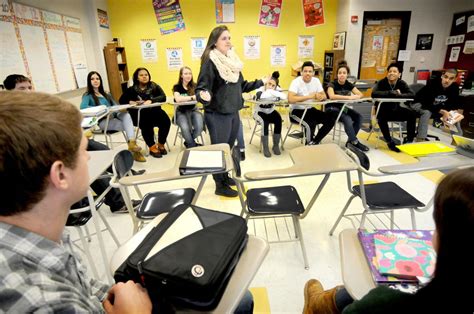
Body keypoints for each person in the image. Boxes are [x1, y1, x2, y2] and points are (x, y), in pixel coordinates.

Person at [0, 91, 152, 312]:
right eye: (83, 150)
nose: (89, 157)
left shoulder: (44, 230)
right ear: (60, 175)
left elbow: (84, 288)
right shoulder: (43, 301)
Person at [303, 167, 474, 314]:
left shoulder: (390, 301)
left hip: (376, 303)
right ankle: (320, 303)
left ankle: (316, 306)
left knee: (359, 290)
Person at [2, 73, 139, 214]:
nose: (28, 92)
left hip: (57, 146)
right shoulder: (10, 117)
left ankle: (123, 172)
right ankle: (118, 200)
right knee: (85, 163)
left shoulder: (35, 108)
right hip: (40, 159)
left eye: (30, 87)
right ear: (9, 92)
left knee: (96, 147)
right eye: (22, 88)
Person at [195, 25, 265, 197]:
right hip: (217, 114)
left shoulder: (233, 61)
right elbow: (202, 88)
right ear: (215, 43)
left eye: (229, 38)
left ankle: (225, 177)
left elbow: (242, 86)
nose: (228, 41)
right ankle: (219, 185)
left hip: (233, 112)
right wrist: (203, 95)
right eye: (224, 38)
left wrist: (260, 82)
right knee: (219, 151)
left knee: (228, 149)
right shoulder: (210, 62)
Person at [81, 71, 145, 162]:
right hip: (103, 121)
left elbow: (115, 105)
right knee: (129, 127)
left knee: (126, 115)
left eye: (97, 78)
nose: (95, 81)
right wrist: (103, 108)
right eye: (92, 79)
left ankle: (132, 145)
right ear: (89, 81)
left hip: (114, 115)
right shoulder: (88, 95)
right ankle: (134, 150)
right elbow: (83, 107)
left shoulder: (106, 93)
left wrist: (130, 104)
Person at [119, 67, 170, 158]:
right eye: (141, 75)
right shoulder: (132, 89)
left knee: (166, 120)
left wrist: (151, 100)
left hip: (155, 112)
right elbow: (121, 100)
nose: (144, 77)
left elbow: (163, 97)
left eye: (146, 75)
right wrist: (131, 101)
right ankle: (152, 147)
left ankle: (161, 144)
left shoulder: (154, 86)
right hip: (139, 115)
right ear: (137, 77)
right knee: (146, 122)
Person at [371, 63, 416, 152]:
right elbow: (374, 93)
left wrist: (399, 95)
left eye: (394, 71)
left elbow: (412, 94)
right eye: (390, 71)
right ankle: (389, 141)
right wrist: (390, 93)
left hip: (396, 110)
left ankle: (409, 140)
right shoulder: (382, 82)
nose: (391, 73)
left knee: (412, 114)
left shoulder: (401, 83)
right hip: (382, 111)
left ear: (399, 74)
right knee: (381, 118)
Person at [288, 61, 334, 145]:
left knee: (330, 120)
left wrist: (320, 97)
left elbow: (324, 95)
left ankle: (315, 141)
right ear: (301, 72)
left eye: (310, 71)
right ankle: (308, 146)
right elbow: (290, 99)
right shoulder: (296, 82)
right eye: (305, 71)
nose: (307, 73)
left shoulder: (316, 81)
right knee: (310, 124)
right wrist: (309, 96)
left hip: (310, 109)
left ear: (313, 73)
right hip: (296, 111)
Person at [327, 61, 369, 152]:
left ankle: (350, 141)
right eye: (340, 73)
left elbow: (360, 94)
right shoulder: (332, 84)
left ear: (347, 75)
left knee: (359, 117)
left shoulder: (349, 84)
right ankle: (354, 142)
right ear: (337, 75)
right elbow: (332, 96)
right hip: (332, 108)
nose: (342, 75)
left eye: (344, 73)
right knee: (348, 119)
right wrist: (349, 97)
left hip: (343, 108)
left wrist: (357, 96)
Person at [410, 69, 463, 141]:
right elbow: (427, 103)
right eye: (446, 77)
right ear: (442, 76)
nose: (447, 80)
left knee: (456, 115)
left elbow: (453, 103)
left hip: (435, 106)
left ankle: (458, 140)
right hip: (419, 103)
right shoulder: (433, 83)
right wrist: (442, 111)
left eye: (451, 78)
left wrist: (454, 112)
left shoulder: (455, 87)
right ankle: (420, 138)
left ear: (455, 79)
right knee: (427, 112)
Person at [254, 71, 286, 157]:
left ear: (276, 86)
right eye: (269, 84)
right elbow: (261, 96)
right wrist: (274, 93)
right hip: (259, 112)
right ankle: (265, 147)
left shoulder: (276, 90)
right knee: (265, 122)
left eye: (273, 86)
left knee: (278, 119)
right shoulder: (260, 88)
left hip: (270, 111)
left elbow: (284, 96)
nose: (270, 87)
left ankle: (275, 145)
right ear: (265, 83)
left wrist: (275, 92)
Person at [172, 66, 204, 148]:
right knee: (185, 128)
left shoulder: (195, 85)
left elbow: (200, 96)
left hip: (194, 110)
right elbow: (178, 99)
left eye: (190, 73)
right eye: (186, 73)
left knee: (200, 127)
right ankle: (192, 145)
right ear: (181, 75)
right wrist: (192, 97)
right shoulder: (177, 87)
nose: (188, 75)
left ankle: (189, 141)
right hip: (181, 111)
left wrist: (185, 98)